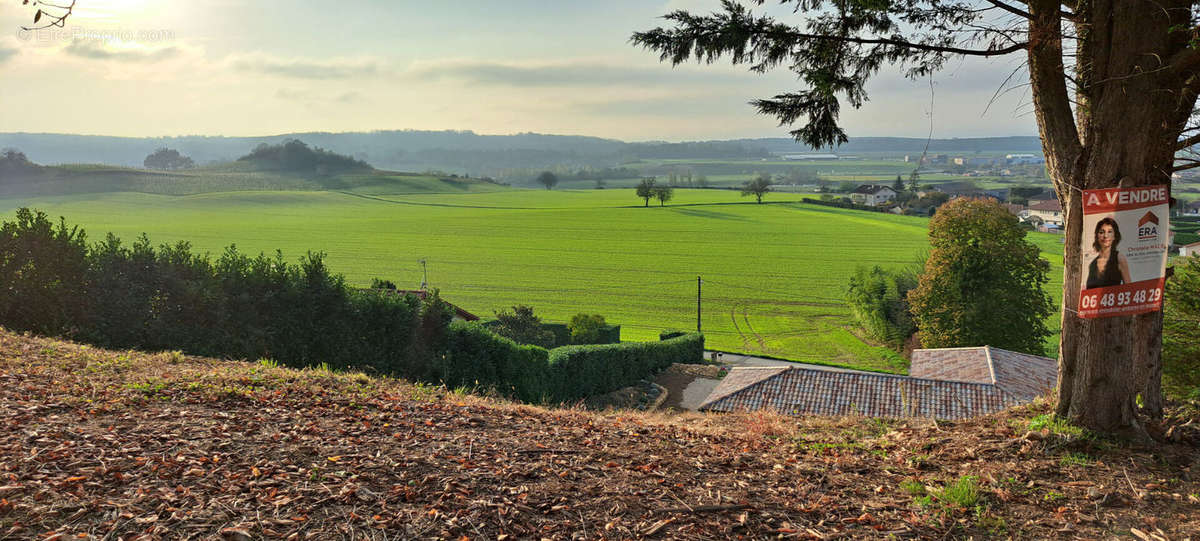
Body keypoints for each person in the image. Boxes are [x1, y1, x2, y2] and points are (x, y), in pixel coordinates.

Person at [1085, 217, 1132, 289]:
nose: (1105, 236)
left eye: (1109, 232)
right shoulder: (1092, 264)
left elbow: (1129, 288)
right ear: (1097, 236)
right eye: (1101, 232)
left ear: (1114, 236)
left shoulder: (1119, 258)